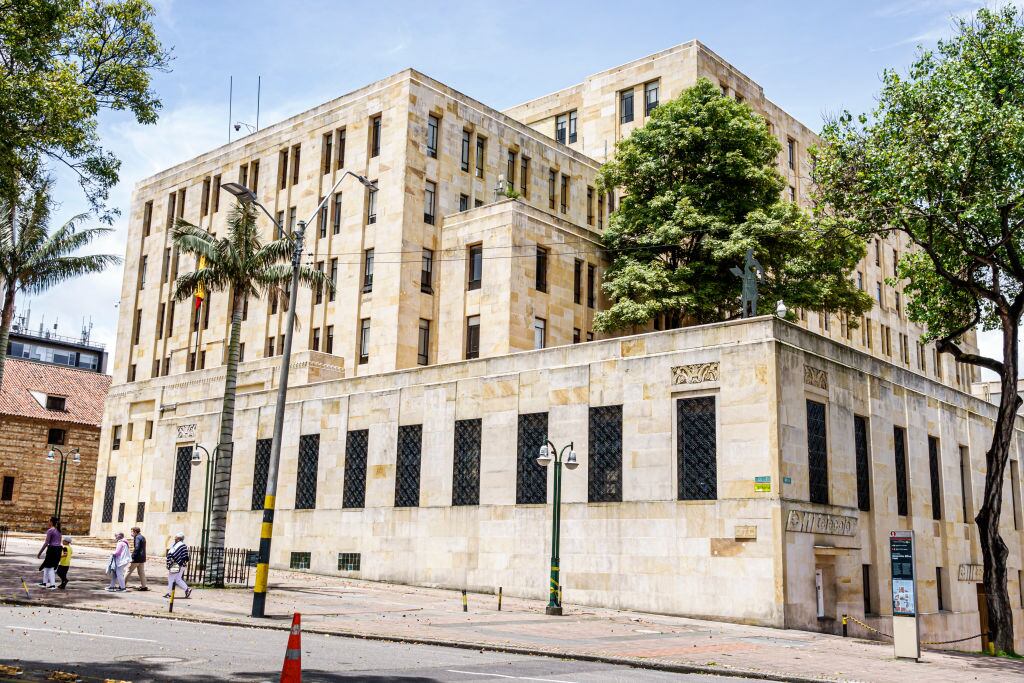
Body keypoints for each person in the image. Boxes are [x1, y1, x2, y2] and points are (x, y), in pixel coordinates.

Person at [36, 517, 62, 589]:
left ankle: (52, 585)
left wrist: (40, 552)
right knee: (47, 567)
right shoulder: (59, 531)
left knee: (50, 568)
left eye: (49, 521)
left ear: (51, 522)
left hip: (52, 550)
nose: (48, 522)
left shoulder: (50, 530)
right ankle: (44, 583)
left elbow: (46, 543)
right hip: (58, 550)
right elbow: (59, 542)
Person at [165, 532, 192, 599]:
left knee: (171, 578)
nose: (174, 538)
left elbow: (176, 555)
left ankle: (169, 593)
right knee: (178, 579)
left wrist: (173, 561)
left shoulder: (180, 545)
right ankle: (187, 589)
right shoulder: (180, 545)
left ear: (179, 538)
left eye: (176, 537)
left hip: (177, 564)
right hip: (180, 564)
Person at [126, 527, 148, 591]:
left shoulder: (137, 537)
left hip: (137, 558)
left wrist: (133, 556)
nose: (131, 533)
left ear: (135, 532)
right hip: (142, 558)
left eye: (132, 532)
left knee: (128, 570)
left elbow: (137, 548)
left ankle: (122, 585)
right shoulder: (142, 537)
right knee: (141, 572)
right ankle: (144, 586)